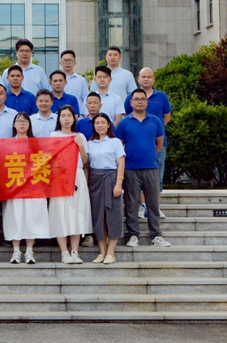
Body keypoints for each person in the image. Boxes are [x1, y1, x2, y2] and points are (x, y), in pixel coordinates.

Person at [115, 89, 170, 249]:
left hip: (151, 167)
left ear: (147, 102)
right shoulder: (124, 123)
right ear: (131, 102)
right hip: (131, 168)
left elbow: (159, 143)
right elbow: (119, 146)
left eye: (142, 99)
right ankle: (133, 235)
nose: (139, 101)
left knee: (153, 203)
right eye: (136, 99)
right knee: (131, 204)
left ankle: (156, 235)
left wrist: (149, 156)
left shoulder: (155, 121)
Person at [124, 67, 172, 219]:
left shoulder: (162, 97)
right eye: (143, 76)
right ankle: (142, 205)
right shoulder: (131, 97)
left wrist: (153, 131)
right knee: (139, 176)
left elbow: (166, 116)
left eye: (149, 77)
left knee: (158, 175)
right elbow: (128, 116)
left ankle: (156, 206)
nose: (146, 79)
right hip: (136, 144)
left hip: (158, 143)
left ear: (153, 79)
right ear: (138, 79)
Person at [3, 113, 50, 264]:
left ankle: (29, 251)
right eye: (19, 121)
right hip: (14, 186)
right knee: (14, 216)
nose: (22, 123)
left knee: (32, 216)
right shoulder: (8, 143)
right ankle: (16, 251)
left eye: (25, 121)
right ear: (14, 125)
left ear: (29, 124)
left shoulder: (35, 143)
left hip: (33, 186)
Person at [48, 105, 92, 264]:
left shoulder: (80, 136)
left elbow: (85, 161)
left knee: (77, 213)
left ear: (74, 118)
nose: (66, 119)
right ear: (59, 119)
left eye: (69, 116)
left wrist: (80, 145)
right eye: (63, 116)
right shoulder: (54, 135)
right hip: (60, 176)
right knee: (60, 213)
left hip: (77, 175)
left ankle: (75, 251)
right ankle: (64, 252)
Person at [86, 113, 125, 265]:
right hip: (95, 180)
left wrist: (119, 183)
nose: (100, 125)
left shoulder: (115, 142)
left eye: (103, 122)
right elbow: (87, 165)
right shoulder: (90, 143)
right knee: (98, 216)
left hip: (111, 178)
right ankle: (102, 252)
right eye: (97, 123)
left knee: (113, 215)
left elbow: (121, 163)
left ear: (109, 125)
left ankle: (111, 252)